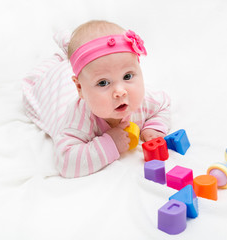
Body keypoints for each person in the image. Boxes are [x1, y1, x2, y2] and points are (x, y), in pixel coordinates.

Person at [22, 20, 171, 178]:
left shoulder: (143, 100)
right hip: (52, 85)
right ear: (80, 89)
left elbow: (164, 104)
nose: (120, 92)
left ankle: (71, 49)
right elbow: (66, 162)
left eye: (127, 76)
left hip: (83, 72)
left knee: (85, 64)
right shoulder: (79, 119)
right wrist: (110, 144)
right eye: (103, 83)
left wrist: (152, 128)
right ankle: (65, 52)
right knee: (48, 70)